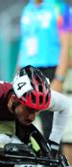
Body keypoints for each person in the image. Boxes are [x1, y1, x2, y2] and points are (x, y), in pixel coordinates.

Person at [18, 0, 71, 140]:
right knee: (23, 119)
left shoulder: (60, 8)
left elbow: (66, 45)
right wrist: (16, 74)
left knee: (50, 123)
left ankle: (53, 159)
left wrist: (59, 78)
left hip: (50, 70)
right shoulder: (27, 9)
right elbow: (24, 44)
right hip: (28, 70)